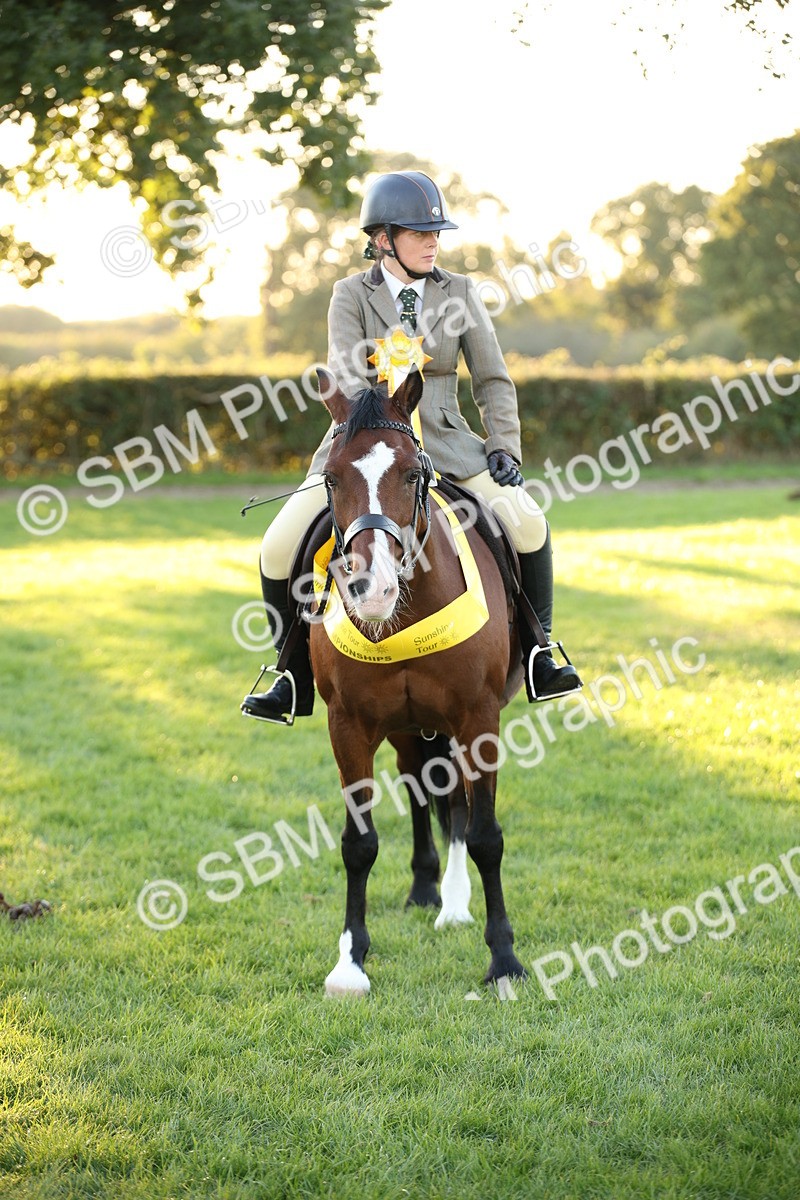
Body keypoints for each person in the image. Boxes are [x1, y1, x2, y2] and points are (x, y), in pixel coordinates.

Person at [242, 169, 582, 724]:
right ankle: (288, 674)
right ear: (382, 240)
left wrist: (504, 447)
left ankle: (543, 652)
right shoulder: (349, 295)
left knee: (529, 523)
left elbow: (493, 379)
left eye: (436, 233)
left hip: (450, 446)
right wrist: (386, 440)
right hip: (365, 451)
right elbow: (350, 378)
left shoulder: (462, 292)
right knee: (279, 546)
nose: (433, 242)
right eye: (419, 232)